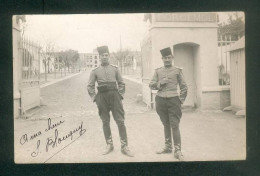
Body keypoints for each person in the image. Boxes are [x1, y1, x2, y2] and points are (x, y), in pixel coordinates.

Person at [87, 46, 134, 157]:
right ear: (99, 57)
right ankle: (109, 144)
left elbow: (121, 83)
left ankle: (124, 146)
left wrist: (120, 95)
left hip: (115, 96)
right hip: (102, 98)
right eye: (102, 55)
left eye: (106, 55)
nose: (104, 57)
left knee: (120, 121)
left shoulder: (115, 69)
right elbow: (90, 86)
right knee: (105, 121)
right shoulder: (95, 71)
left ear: (109, 56)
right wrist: (95, 98)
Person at [149, 47, 188, 161]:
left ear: (172, 58)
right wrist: (160, 83)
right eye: (165, 58)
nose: (167, 60)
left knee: (174, 125)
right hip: (160, 101)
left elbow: (184, 87)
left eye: (169, 57)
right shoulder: (158, 71)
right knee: (166, 124)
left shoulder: (177, 71)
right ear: (162, 59)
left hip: (173, 101)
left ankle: (178, 150)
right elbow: (151, 85)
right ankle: (168, 147)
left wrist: (180, 100)